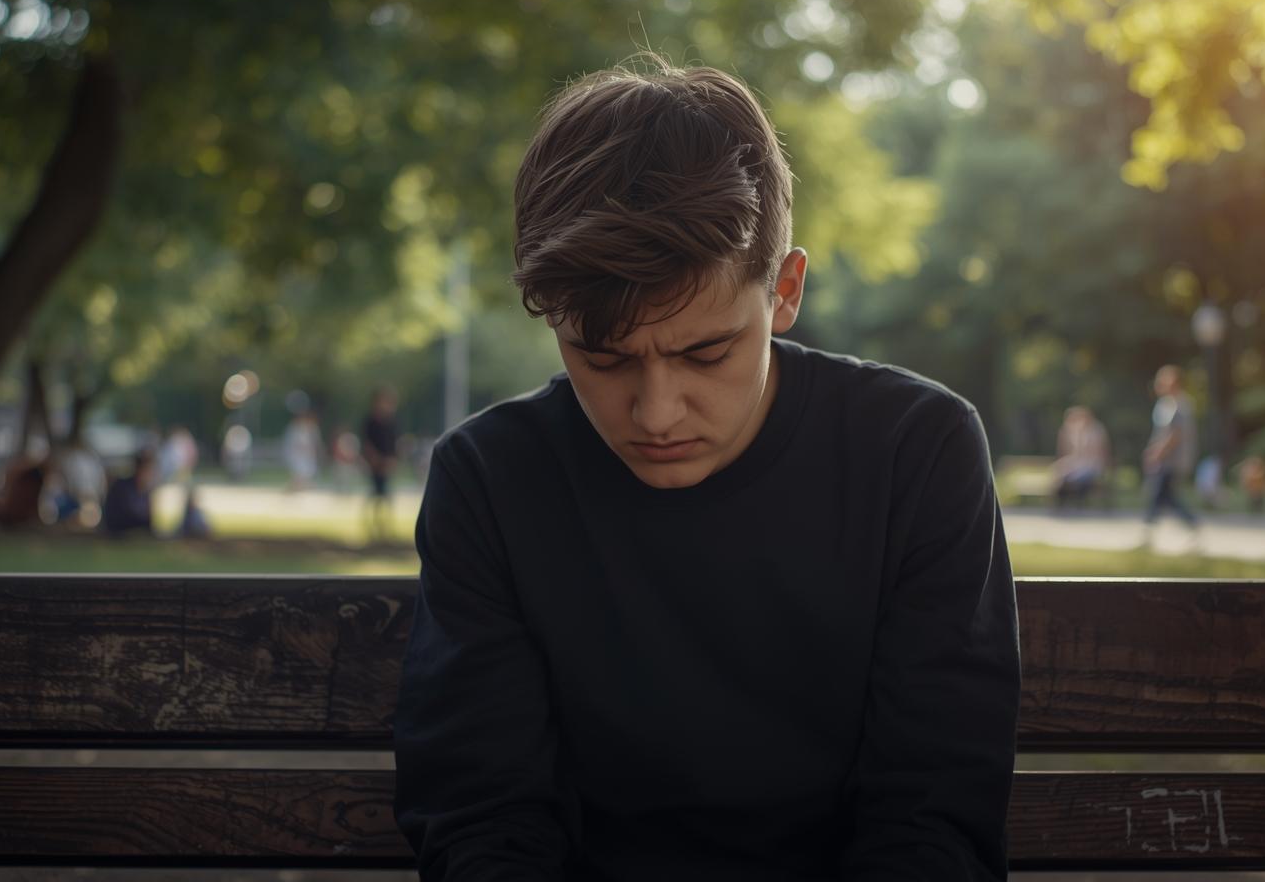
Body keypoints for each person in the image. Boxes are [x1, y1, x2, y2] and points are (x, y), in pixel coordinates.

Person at [394, 58, 1020, 881]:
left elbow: (931, 818)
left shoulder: (916, 451)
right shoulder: (489, 481)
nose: (655, 413)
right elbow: (485, 820)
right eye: (603, 358)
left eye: (706, 352)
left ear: (784, 290)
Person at [1141, 364, 1199, 544]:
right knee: (1165, 496)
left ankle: (1149, 531)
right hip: (1164, 459)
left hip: (1173, 460)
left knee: (1160, 494)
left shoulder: (1180, 405)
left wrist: (1158, 453)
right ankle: (1190, 524)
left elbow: (1175, 435)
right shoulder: (1164, 404)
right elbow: (1161, 433)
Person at [359, 387, 400, 540]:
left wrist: (392, 460)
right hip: (375, 465)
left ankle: (385, 526)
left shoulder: (392, 422)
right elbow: (367, 444)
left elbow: (394, 444)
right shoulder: (370, 422)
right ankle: (374, 525)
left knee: (385, 495)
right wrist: (375, 460)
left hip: (386, 464)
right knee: (376, 494)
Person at [1050, 405, 1109, 508]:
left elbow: (1097, 453)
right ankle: (1061, 503)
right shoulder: (1073, 431)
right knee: (1061, 474)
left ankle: (1077, 502)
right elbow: (1067, 452)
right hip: (1077, 464)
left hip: (1091, 465)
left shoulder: (1096, 431)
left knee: (1079, 478)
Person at [101, 451, 155, 536]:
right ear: (139, 469)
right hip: (118, 535)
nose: (151, 475)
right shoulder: (122, 488)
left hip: (134, 534)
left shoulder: (146, 492)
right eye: (148, 470)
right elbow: (129, 517)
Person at [283, 408, 322, 492]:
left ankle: (300, 488)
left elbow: (314, 444)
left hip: (307, 456)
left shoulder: (312, 429)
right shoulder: (296, 428)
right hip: (298, 456)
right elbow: (295, 444)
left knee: (306, 475)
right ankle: (295, 489)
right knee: (300, 475)